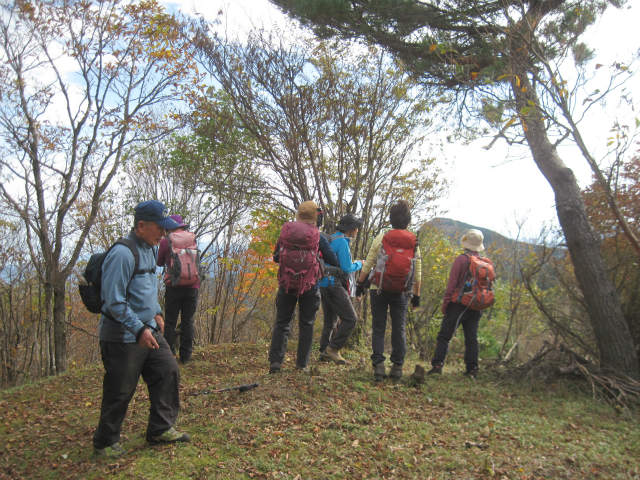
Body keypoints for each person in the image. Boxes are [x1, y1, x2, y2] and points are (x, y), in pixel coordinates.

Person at [93, 200, 190, 458]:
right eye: (159, 227)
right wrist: (138, 330)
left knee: (167, 370)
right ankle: (105, 443)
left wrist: (156, 311)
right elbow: (113, 301)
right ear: (141, 225)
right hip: (122, 336)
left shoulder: (149, 248)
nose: (163, 233)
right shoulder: (122, 254)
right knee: (120, 389)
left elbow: (144, 288)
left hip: (147, 329)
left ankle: (160, 428)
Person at [268, 201, 339, 373]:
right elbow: (333, 260)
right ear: (317, 217)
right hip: (310, 284)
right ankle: (302, 364)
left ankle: (276, 363)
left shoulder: (287, 231)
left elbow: (276, 257)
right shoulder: (317, 236)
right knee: (306, 323)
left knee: (282, 322)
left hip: (286, 283)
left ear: (298, 215)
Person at [357, 200, 422, 381]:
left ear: (391, 219)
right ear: (408, 221)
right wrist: (417, 296)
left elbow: (369, 263)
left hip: (379, 288)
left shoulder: (382, 237)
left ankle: (378, 366)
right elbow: (418, 273)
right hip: (402, 291)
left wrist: (360, 285)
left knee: (378, 326)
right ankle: (397, 368)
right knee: (398, 327)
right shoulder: (412, 241)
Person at [428, 228, 486, 378]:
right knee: (471, 337)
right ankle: (472, 369)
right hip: (476, 305)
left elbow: (452, 284)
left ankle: (437, 365)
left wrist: (446, 303)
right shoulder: (483, 262)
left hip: (458, 304)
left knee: (444, 336)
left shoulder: (461, 259)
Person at [318, 213, 364, 365]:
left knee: (330, 321)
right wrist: (360, 263)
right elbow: (346, 267)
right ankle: (333, 349)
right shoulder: (343, 243)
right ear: (351, 229)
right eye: (357, 228)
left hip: (323, 284)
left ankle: (324, 351)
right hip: (334, 285)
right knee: (351, 318)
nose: (358, 231)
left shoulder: (330, 238)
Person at [157, 214, 200, 364]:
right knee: (188, 321)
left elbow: (159, 262)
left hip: (173, 286)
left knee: (170, 321)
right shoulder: (192, 238)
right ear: (182, 226)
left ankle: (169, 354)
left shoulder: (165, 241)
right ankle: (186, 356)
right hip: (192, 285)